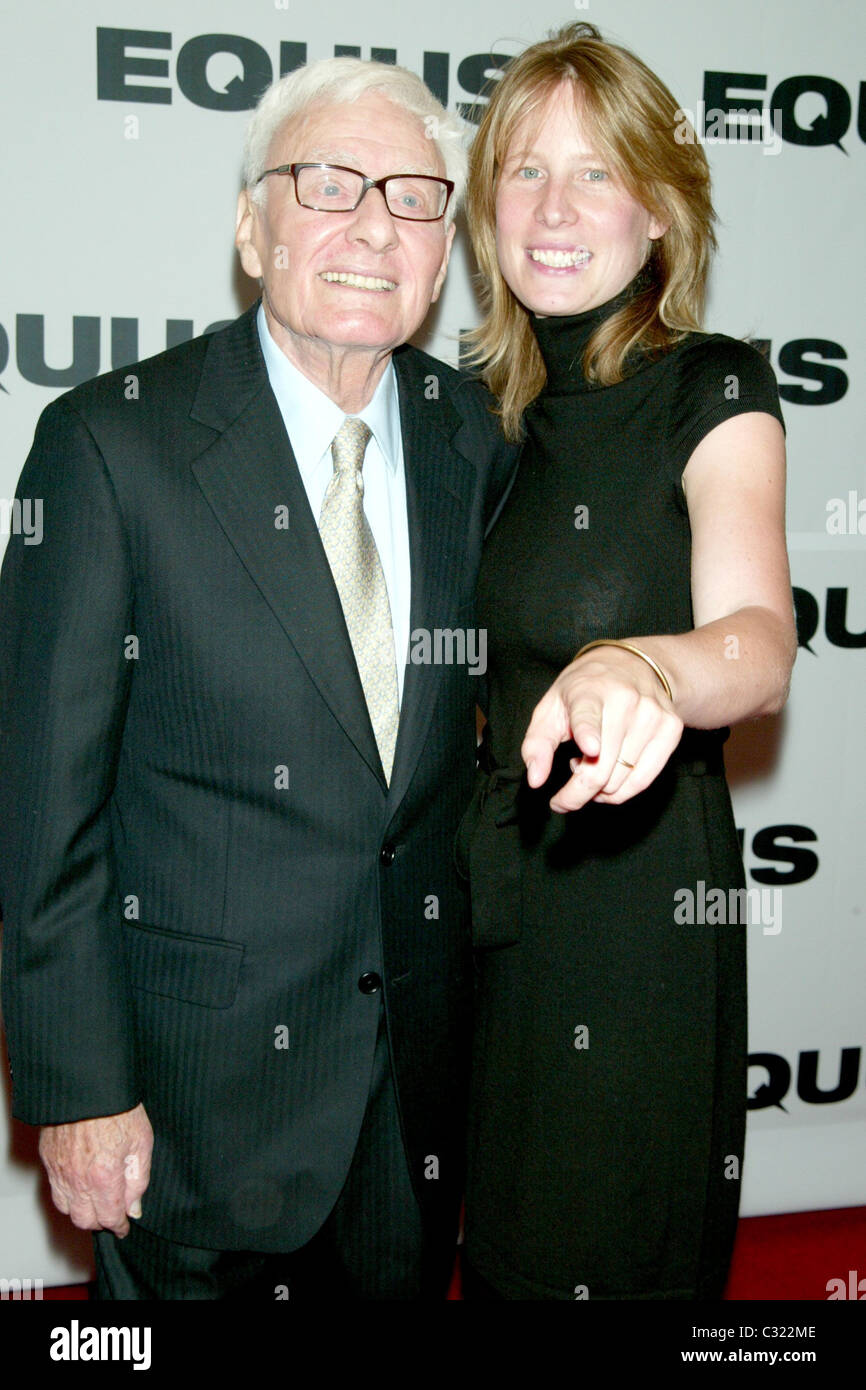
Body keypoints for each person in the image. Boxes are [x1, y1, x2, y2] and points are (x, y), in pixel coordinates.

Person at [0, 56, 516, 1300]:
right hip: (191, 1105)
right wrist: (79, 1090)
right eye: (328, 184)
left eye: (413, 198)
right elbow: (40, 805)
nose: (372, 227)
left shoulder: (476, 438)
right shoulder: (110, 443)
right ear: (250, 228)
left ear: (442, 253)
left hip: (412, 1106)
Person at [457, 22, 797, 1300]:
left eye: (595, 172)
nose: (553, 208)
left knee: (594, 1255)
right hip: (480, 901)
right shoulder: (470, 412)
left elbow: (757, 640)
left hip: (628, 911)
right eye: (524, 169)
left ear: (657, 210)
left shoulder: (710, 388)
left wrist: (645, 669)